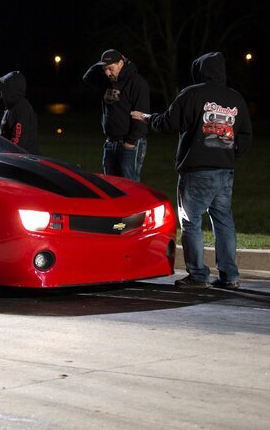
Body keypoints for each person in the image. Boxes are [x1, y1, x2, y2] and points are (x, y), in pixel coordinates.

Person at [131, 51, 253, 290]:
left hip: (197, 170)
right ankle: (229, 276)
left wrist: (147, 118)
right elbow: (246, 137)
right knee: (224, 221)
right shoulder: (235, 98)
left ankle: (198, 275)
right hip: (225, 170)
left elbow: (169, 122)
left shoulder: (192, 93)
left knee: (191, 221)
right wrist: (228, 153)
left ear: (200, 71)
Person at [82, 48, 150, 180]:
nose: (108, 73)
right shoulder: (107, 80)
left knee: (129, 189)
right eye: (104, 69)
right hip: (110, 143)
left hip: (130, 144)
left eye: (110, 68)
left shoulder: (137, 82)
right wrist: (100, 64)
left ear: (121, 63)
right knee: (111, 187)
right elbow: (87, 78)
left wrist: (129, 143)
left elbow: (142, 116)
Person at [0, 70, 40, 154]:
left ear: (10, 90)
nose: (1, 94)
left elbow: (18, 141)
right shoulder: (10, 108)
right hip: (13, 159)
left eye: (3, 89)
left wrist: (7, 155)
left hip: (23, 161)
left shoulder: (22, 108)